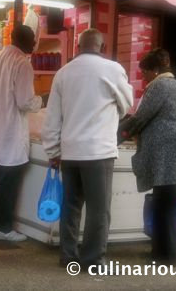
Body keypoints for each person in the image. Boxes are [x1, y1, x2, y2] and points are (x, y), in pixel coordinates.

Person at [41, 28, 133, 267]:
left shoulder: (63, 73)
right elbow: (127, 104)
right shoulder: (113, 70)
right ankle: (93, 260)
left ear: (78, 47)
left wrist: (53, 151)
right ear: (102, 48)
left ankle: (68, 255)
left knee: (70, 206)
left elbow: (52, 118)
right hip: (99, 152)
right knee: (98, 210)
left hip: (70, 152)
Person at [120, 49, 176, 265]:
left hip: (168, 151)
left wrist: (118, 134)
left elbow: (141, 117)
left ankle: (168, 257)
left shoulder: (160, 85)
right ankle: (161, 252)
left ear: (155, 70)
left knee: (166, 204)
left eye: (145, 72)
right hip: (174, 150)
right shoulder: (174, 84)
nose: (143, 77)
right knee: (165, 202)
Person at [0, 25, 43, 242]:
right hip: (12, 130)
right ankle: (3, 228)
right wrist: (42, 100)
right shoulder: (22, 63)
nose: (34, 44)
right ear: (23, 40)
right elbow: (25, 102)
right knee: (9, 180)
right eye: (32, 39)